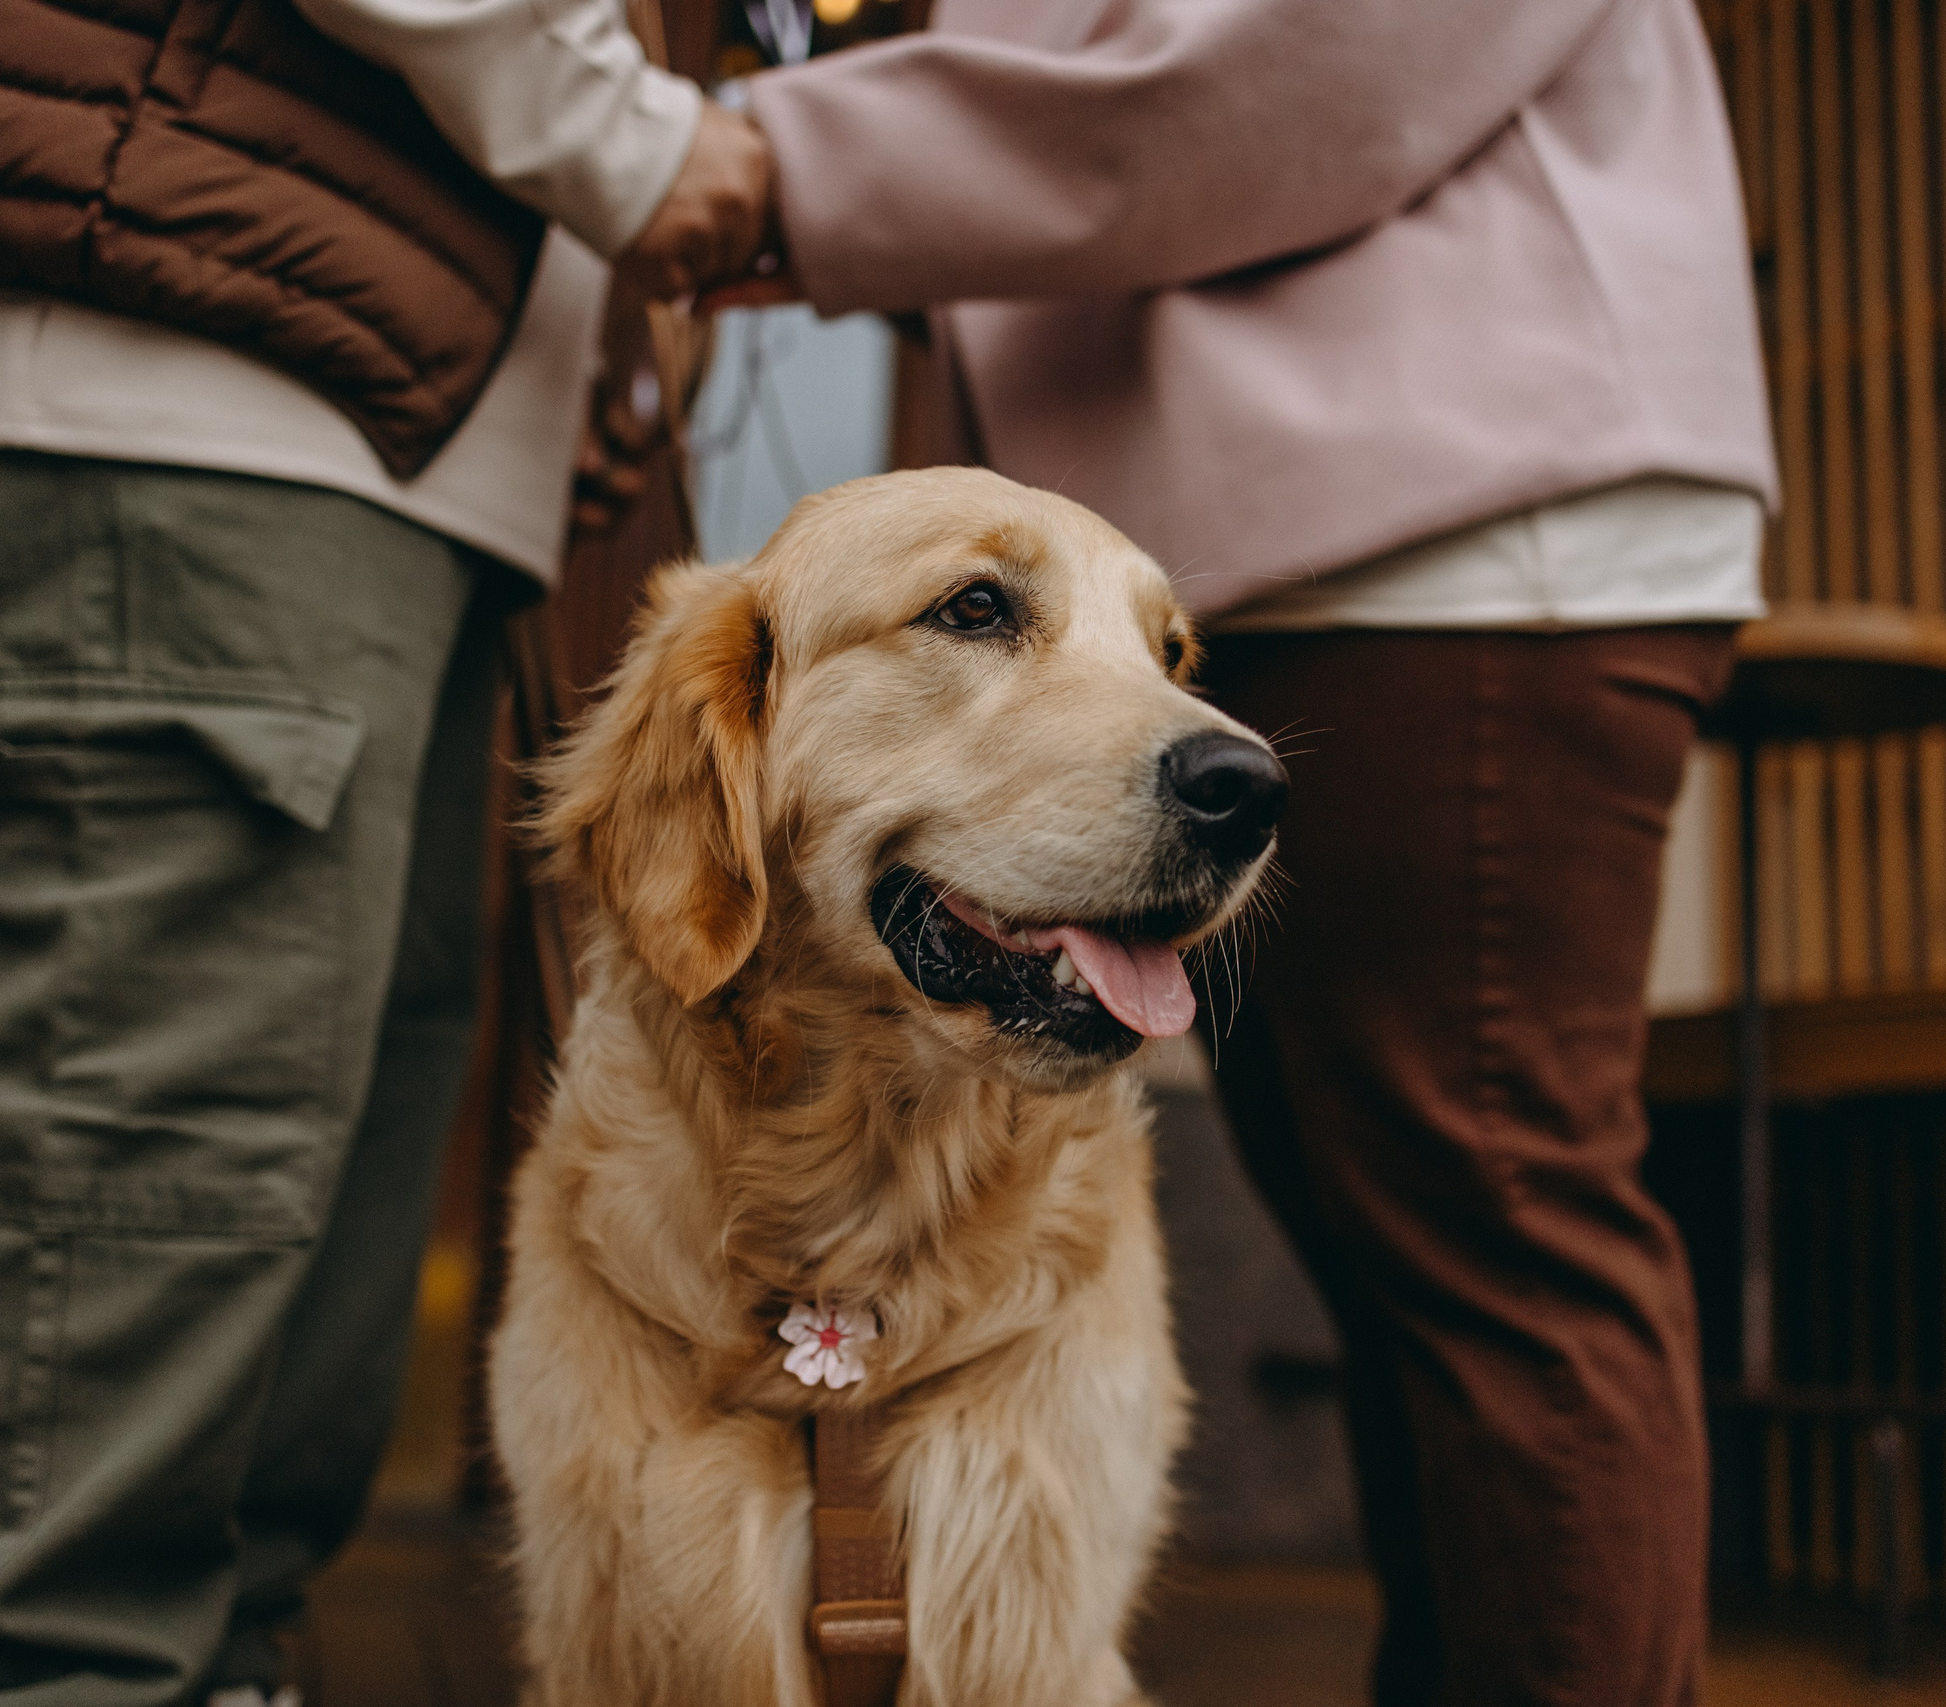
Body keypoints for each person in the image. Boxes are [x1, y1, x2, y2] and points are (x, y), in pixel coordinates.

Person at [725, 3, 1776, 1701]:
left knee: (1492, 1215)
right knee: (1408, 1244)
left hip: (1451, 534)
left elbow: (1281, 79)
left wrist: (784, 162)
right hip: (1276, 564)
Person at [0, 3, 770, 1702]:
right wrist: (644, 146)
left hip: (340, 385)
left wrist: (576, 345)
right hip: (192, 357)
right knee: (151, 1162)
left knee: (300, 1168)